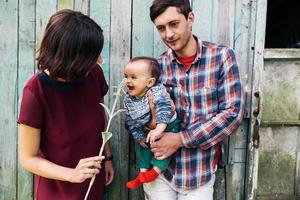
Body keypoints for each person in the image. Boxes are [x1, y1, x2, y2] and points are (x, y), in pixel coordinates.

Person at [143, 0, 245, 199]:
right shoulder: (158, 66)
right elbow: (145, 115)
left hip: (200, 171)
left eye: (174, 24)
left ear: (190, 18)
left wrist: (181, 139)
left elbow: (233, 113)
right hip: (161, 172)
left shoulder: (221, 57)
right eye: (161, 28)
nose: (168, 34)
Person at [17, 9, 114, 200]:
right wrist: (71, 174)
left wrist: (107, 158)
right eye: (92, 55)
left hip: (92, 182)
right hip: (57, 190)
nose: (100, 60)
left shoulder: (94, 74)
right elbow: (28, 159)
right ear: (72, 57)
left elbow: (102, 120)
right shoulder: (35, 92)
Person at [123, 56, 180, 190]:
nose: (128, 81)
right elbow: (132, 120)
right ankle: (142, 173)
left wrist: (159, 128)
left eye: (133, 77)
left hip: (169, 125)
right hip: (148, 129)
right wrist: (139, 136)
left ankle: (155, 171)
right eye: (126, 77)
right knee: (143, 146)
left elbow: (164, 108)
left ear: (150, 82)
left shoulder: (157, 92)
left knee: (162, 148)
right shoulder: (129, 99)